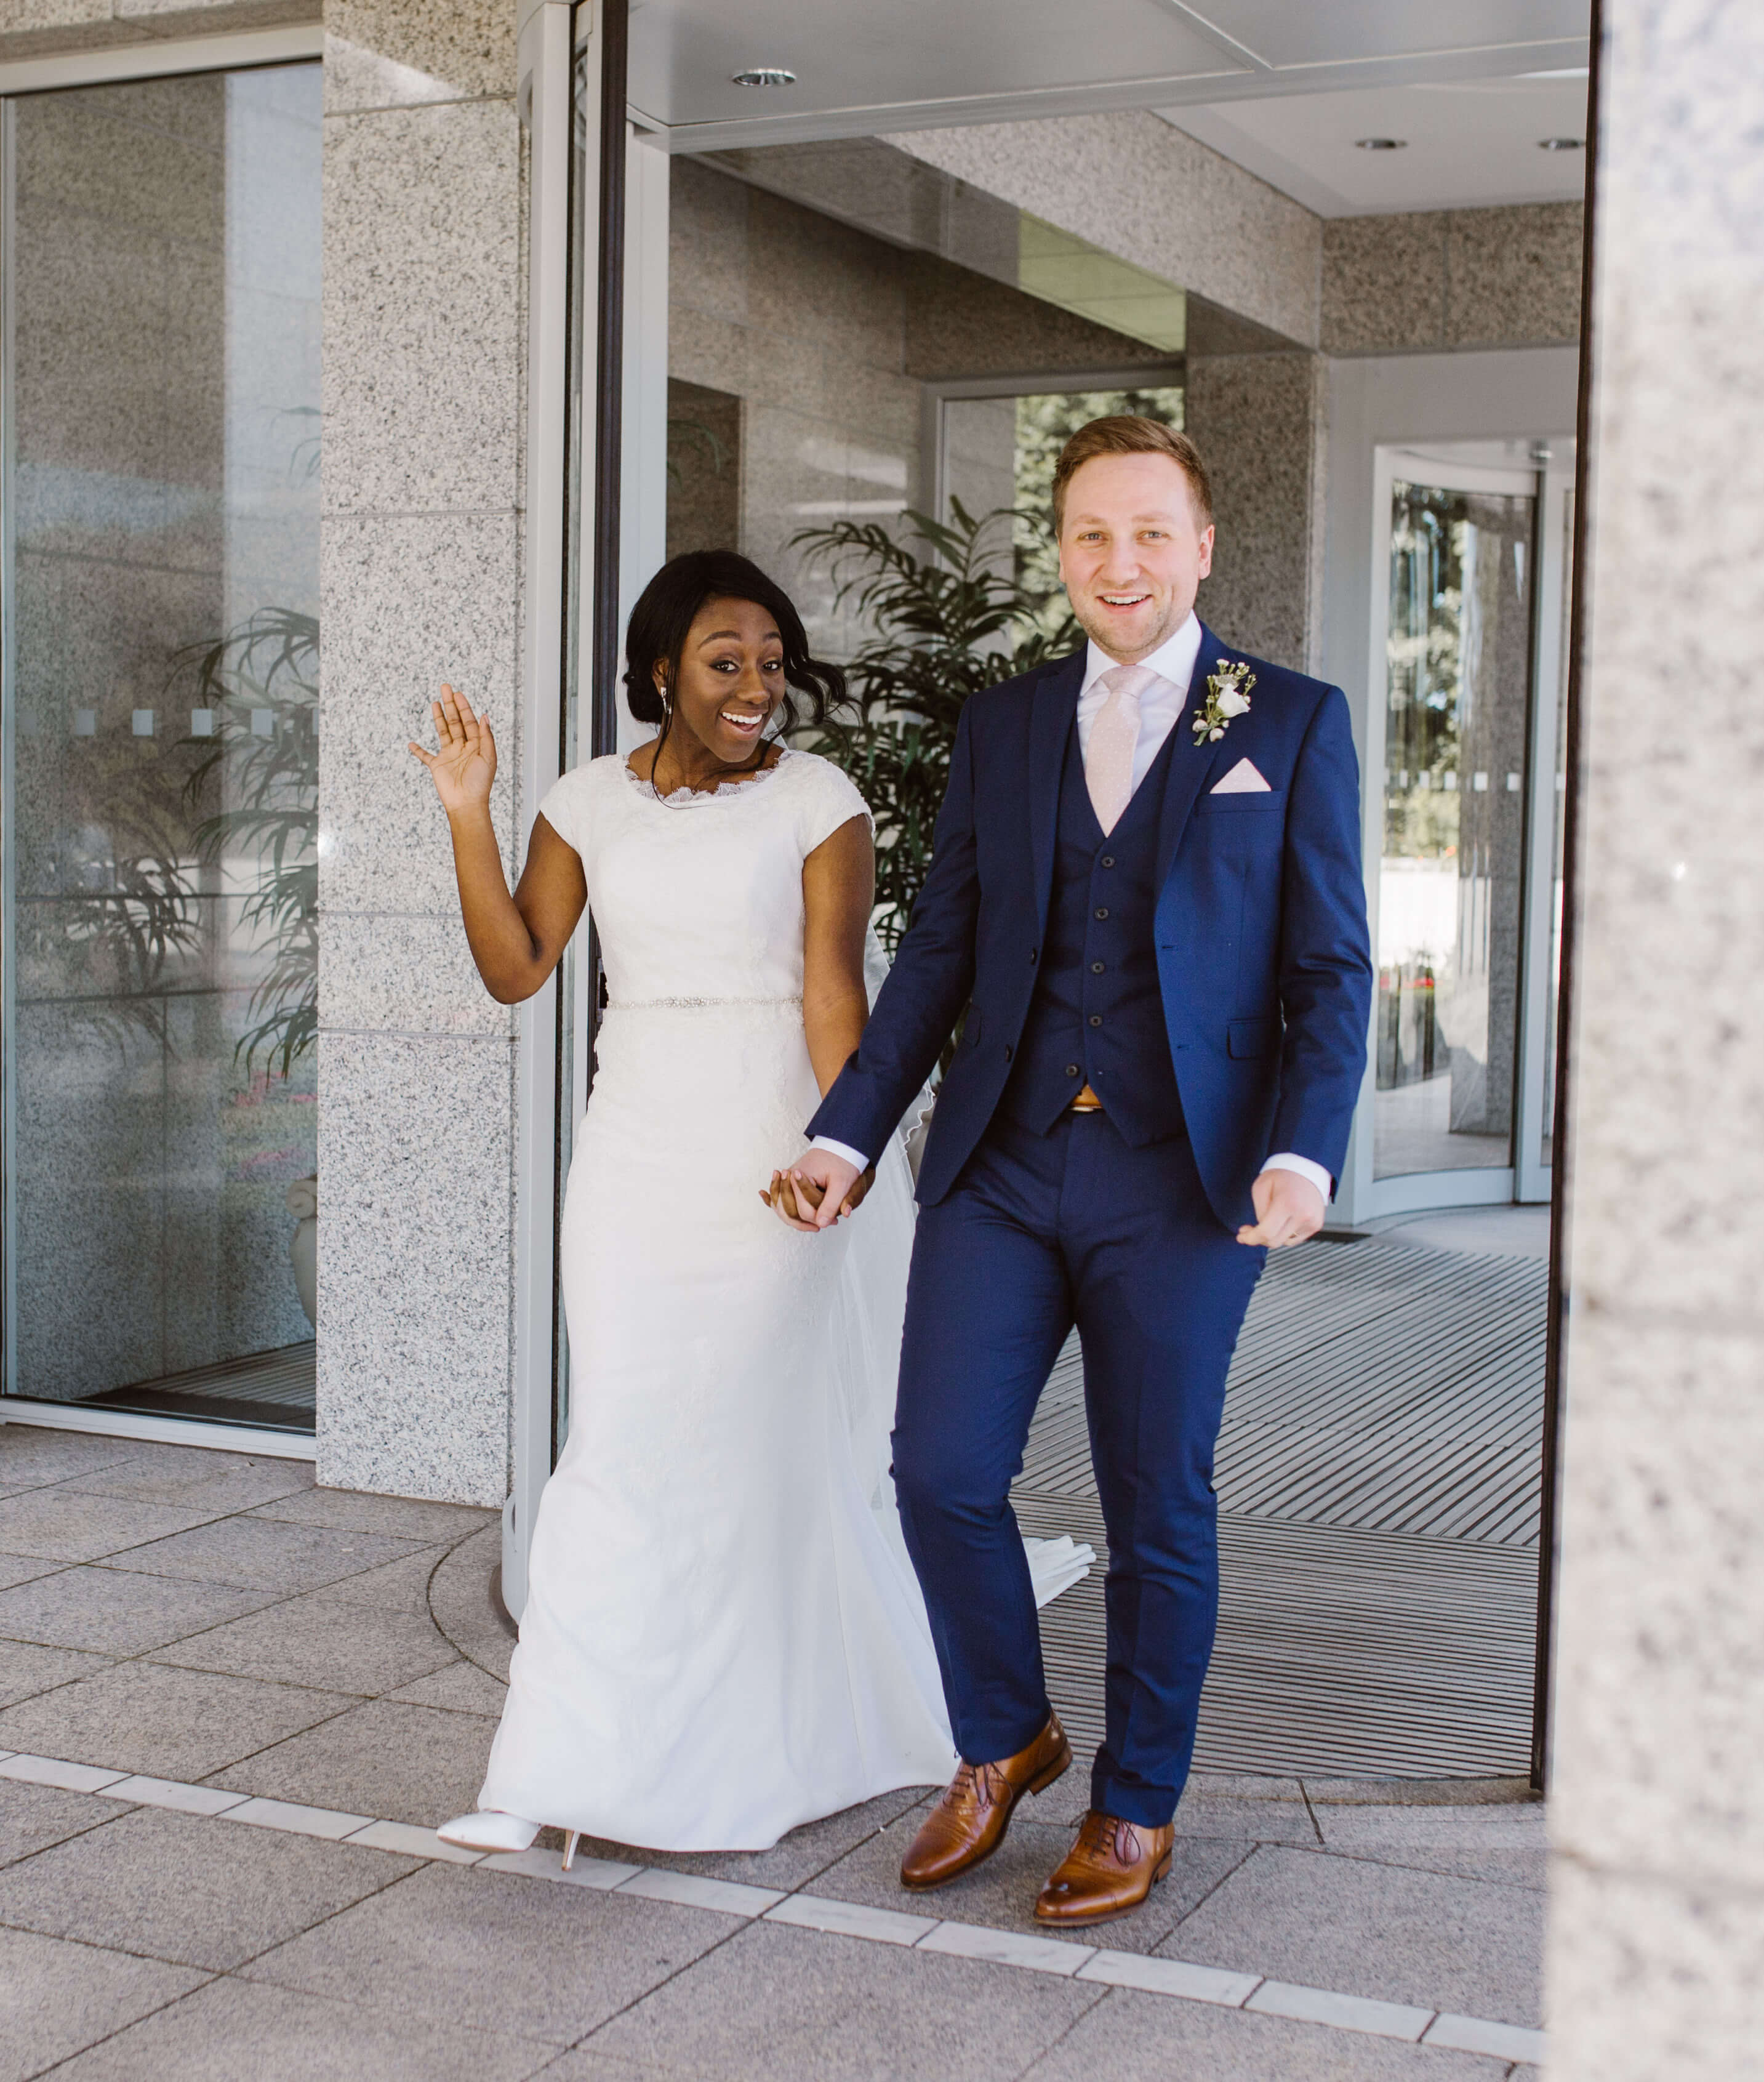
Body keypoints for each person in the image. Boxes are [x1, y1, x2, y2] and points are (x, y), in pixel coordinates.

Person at [780, 417, 1373, 1925]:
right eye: (1091, 535)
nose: (1120, 562)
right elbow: (942, 956)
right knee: (938, 1469)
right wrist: (845, 1129)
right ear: (1061, 553)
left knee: (1151, 1497)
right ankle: (1005, 1733)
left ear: (1202, 544)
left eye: (1149, 533)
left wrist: (1303, 1149)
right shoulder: (1008, 722)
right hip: (1001, 1157)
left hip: (1185, 1181)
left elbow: (1329, 967)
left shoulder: (1288, 723)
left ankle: (1134, 1797)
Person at [409, 550, 958, 1855]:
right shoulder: (586, 799)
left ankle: (735, 1755)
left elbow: (834, 990)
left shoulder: (819, 799)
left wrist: (846, 1144)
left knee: (734, 1451)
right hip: (636, 1151)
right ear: (661, 669)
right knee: (614, 1441)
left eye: (771, 662)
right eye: (725, 662)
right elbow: (515, 968)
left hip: (771, 1151)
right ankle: (556, 1768)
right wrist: (467, 812)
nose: (755, 686)